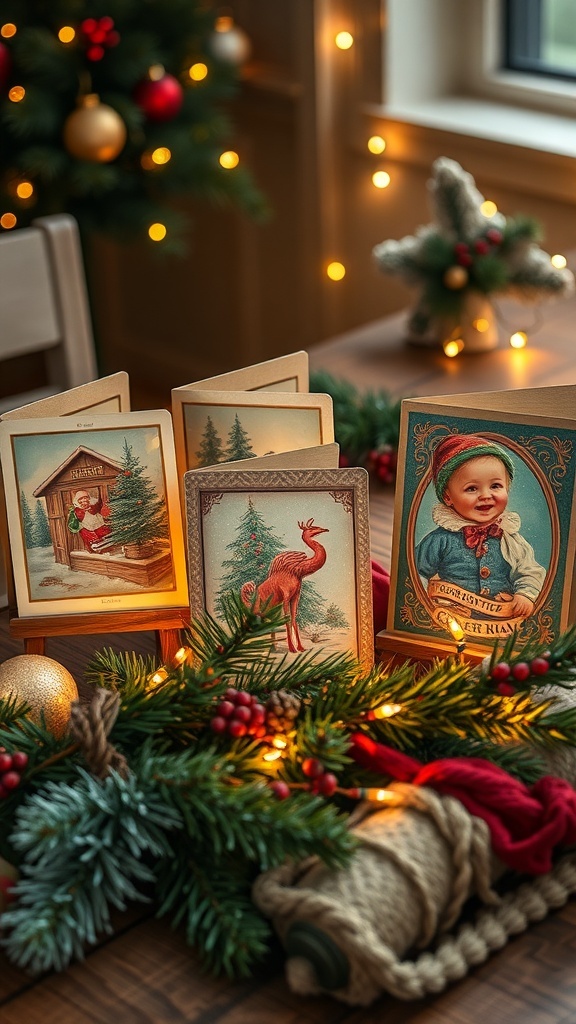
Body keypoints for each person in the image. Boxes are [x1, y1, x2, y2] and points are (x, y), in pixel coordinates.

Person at [416, 433, 546, 619]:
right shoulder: (441, 539)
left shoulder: (509, 538)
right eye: (472, 488)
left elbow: (529, 570)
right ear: (448, 497)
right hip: (454, 619)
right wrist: (431, 600)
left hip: (500, 621)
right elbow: (414, 571)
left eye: (495, 486)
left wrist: (525, 594)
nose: (486, 495)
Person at [67, 489, 112, 554]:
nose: (84, 500)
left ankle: (107, 547)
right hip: (87, 527)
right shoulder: (77, 510)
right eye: (81, 499)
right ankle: (96, 550)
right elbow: (76, 519)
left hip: (99, 525)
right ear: (78, 501)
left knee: (104, 534)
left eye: (86, 498)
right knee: (92, 539)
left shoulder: (93, 506)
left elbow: (98, 507)